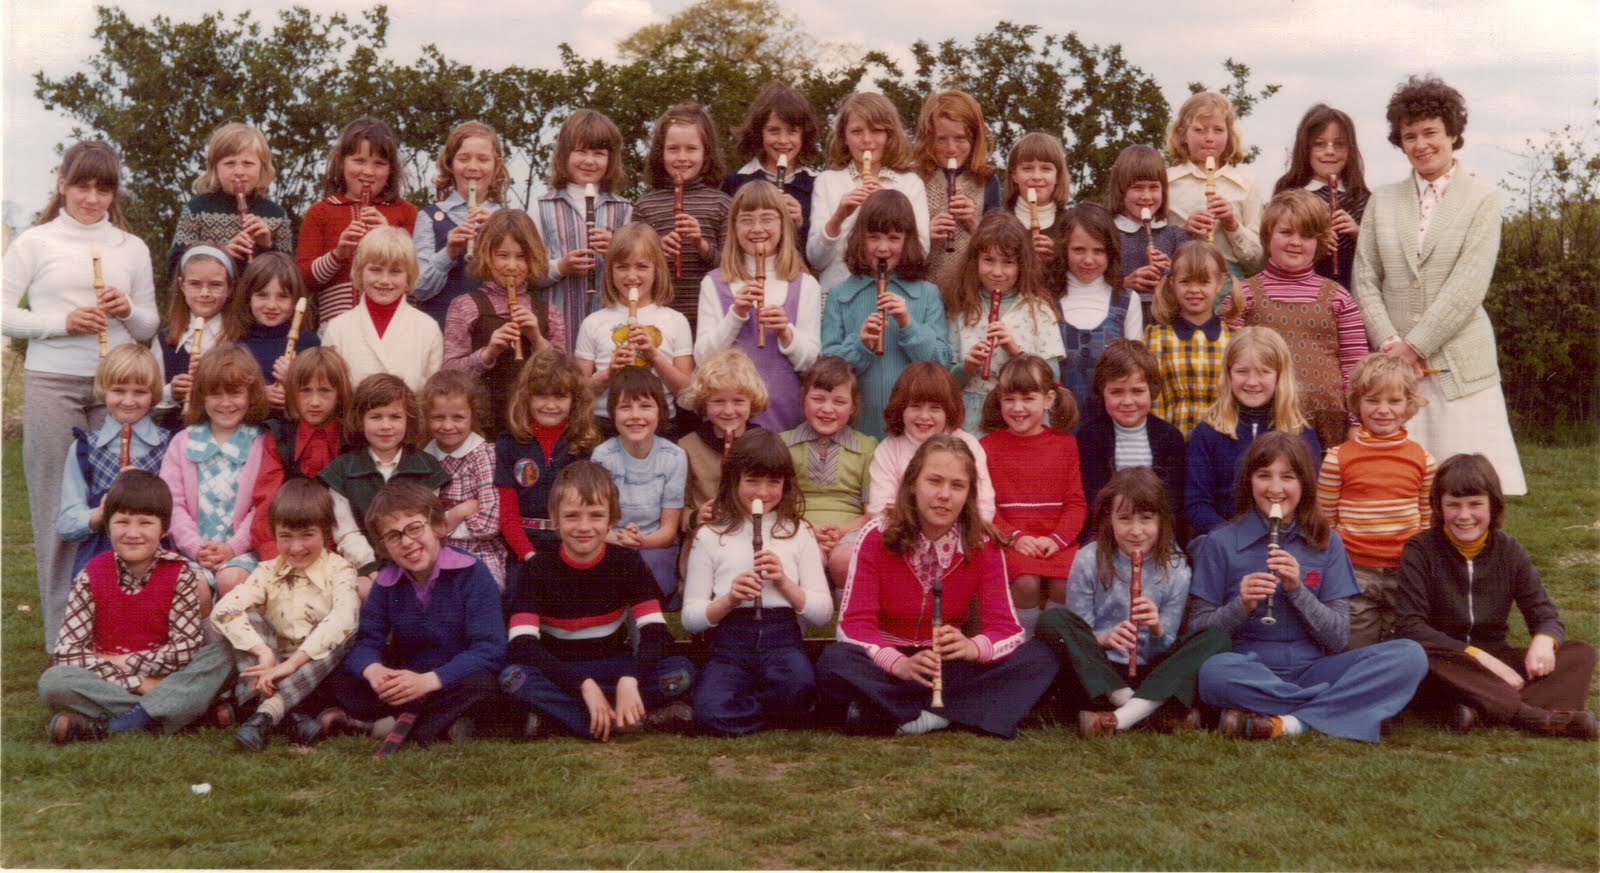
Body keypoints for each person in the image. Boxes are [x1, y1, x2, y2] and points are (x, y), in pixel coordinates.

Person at [5, 141, 160, 650]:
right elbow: (4, 311)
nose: (92, 198)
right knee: (58, 515)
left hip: (116, 390)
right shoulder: (36, 241)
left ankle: (122, 635)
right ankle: (61, 644)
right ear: (62, 184)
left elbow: (149, 323)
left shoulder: (129, 247)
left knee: (122, 513)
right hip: (54, 385)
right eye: (82, 186)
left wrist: (125, 312)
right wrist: (59, 323)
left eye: (103, 188)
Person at [1189, 432, 1427, 741]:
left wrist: (1298, 591)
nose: (1275, 489)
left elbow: (1339, 637)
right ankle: (1347, 709)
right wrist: (1241, 605)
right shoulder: (1219, 542)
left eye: (1287, 477)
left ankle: (1288, 722)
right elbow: (1197, 632)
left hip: (1314, 669)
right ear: (1250, 482)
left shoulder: (1327, 542)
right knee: (1213, 673)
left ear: (1303, 484)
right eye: (1264, 476)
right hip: (1250, 667)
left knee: (1410, 656)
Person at [817, 435, 1058, 738]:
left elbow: (1007, 630)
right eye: (934, 481)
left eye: (957, 486)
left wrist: (972, 647)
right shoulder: (876, 536)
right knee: (833, 662)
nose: (944, 495)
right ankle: (961, 712)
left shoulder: (983, 544)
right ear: (913, 484)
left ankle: (909, 716)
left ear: (969, 494)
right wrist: (899, 665)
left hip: (950, 663)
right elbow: (853, 626)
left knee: (1039, 658)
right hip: (889, 662)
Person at [1352, 75, 1525, 494]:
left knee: (1469, 488)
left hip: (1461, 367)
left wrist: (1415, 346)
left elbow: (1468, 285)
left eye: (1430, 132)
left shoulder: (1483, 198)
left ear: (1452, 133)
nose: (1420, 144)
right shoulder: (1384, 199)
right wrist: (1392, 345)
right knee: (1403, 488)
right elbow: (1365, 276)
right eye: (1409, 135)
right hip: (1395, 373)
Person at [1394, 454, 1597, 739]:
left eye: (1475, 504)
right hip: (1447, 661)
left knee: (1579, 654)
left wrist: (1544, 640)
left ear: (1493, 505)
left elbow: (1545, 615)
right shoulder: (1420, 549)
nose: (1464, 516)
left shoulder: (1509, 551)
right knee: (1415, 654)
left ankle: (1474, 712)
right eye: (1453, 505)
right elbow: (1410, 625)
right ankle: (1535, 717)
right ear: (1439, 507)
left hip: (1496, 659)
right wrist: (1477, 657)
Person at [499, 462, 695, 740]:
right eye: (572, 516)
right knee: (513, 679)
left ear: (612, 519)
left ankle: (562, 719)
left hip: (615, 669)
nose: (584, 527)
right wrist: (582, 685)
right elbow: (522, 645)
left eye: (595, 515)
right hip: (560, 674)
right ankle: (630, 719)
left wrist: (631, 678)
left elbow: (657, 635)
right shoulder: (537, 568)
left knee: (680, 672)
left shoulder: (627, 562)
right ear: (554, 518)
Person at [38, 470, 232, 743]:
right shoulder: (90, 575)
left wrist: (126, 662)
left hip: (167, 675)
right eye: (122, 522)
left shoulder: (181, 575)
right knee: (53, 682)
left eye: (145, 523)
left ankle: (115, 725)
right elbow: (67, 652)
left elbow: (184, 652)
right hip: (114, 681)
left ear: (163, 529)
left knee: (226, 653)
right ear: (108, 526)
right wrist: (141, 683)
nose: (133, 533)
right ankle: (189, 711)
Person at [1036, 468, 1231, 736]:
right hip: (1101, 670)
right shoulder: (1088, 559)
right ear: (1109, 519)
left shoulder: (1176, 568)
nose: (1136, 531)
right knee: (1053, 620)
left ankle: (1120, 718)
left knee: (1215, 636)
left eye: (1146, 519)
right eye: (1125, 519)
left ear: (1161, 520)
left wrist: (1156, 627)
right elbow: (1079, 633)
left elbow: (1167, 644)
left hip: (1153, 672)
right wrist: (1105, 639)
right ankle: (1145, 711)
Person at [317, 482, 506, 750]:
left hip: (452, 678)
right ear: (384, 547)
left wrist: (429, 681)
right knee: (339, 675)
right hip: (407, 680)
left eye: (415, 528)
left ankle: (387, 726)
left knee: (484, 684)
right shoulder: (385, 583)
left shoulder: (472, 573)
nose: (407, 542)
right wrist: (376, 672)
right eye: (393, 536)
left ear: (438, 526)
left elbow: (489, 649)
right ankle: (442, 726)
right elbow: (367, 642)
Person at [682, 431, 832, 734]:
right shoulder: (711, 535)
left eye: (773, 482)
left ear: (785, 484)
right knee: (710, 712)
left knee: (798, 688)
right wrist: (729, 599)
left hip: (783, 641)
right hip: (730, 646)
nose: (762, 492)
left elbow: (822, 613)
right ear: (733, 480)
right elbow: (690, 620)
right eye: (752, 481)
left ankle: (751, 707)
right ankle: (777, 714)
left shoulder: (798, 531)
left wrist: (785, 583)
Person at [211, 479, 360, 750]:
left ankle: (264, 714)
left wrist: (291, 665)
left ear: (327, 533)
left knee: (342, 629)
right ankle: (287, 716)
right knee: (248, 618)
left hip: (317, 675)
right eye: (286, 536)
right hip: (270, 670)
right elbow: (223, 609)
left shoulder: (341, 570)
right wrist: (263, 653)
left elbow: (344, 617)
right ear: (275, 534)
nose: (296, 547)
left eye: (307, 535)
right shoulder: (267, 570)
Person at [1315, 354, 1436, 648]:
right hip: (1355, 571)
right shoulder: (1336, 459)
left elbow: (1426, 519)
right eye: (1372, 400)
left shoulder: (1424, 459)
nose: (1383, 410)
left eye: (1394, 401)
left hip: (1405, 569)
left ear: (1408, 405)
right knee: (1356, 644)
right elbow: (1325, 520)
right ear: (1357, 403)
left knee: (1403, 642)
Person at [818, 189, 952, 438]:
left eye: (893, 238)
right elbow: (826, 369)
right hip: (856, 429)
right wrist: (861, 344)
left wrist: (908, 325)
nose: (882, 248)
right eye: (873, 237)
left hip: (913, 431)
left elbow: (942, 362)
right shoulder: (839, 294)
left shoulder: (927, 293)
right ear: (860, 239)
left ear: (908, 240)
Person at [1240, 189, 1367, 450]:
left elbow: (1355, 366)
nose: (1295, 242)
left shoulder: (1339, 297)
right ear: (1267, 236)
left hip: (1329, 426)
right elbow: (1228, 363)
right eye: (1286, 232)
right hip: (1262, 424)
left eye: (1306, 235)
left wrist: (1356, 422)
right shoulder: (1243, 295)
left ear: (1320, 241)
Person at [695, 180, 822, 433]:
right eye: (746, 220)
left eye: (767, 219)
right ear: (734, 227)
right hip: (729, 418)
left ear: (783, 225)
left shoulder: (805, 284)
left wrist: (786, 332)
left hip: (785, 414)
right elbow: (702, 358)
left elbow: (812, 365)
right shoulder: (714, 282)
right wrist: (736, 315)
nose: (757, 228)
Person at [158, 344, 283, 599]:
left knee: (231, 579)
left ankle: (238, 639)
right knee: (192, 586)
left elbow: (262, 507)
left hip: (243, 552)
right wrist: (195, 547)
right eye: (215, 394)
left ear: (250, 394)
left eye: (235, 393)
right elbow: (172, 504)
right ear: (201, 397)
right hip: (191, 552)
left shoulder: (262, 443)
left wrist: (232, 548)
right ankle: (202, 640)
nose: (225, 403)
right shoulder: (183, 442)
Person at [979, 355, 1085, 628]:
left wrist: (1057, 540)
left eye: (1028, 399)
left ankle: (1052, 639)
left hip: (1055, 541)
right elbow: (984, 507)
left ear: (1048, 400)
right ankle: (1022, 641)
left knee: (1064, 582)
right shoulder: (987, 447)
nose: (1017, 408)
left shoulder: (1065, 444)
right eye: (1009, 399)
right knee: (1027, 583)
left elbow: (1075, 503)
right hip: (1008, 541)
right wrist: (1014, 537)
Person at [1184, 326, 1320, 538]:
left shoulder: (1300, 433)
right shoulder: (1208, 432)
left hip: (1284, 538)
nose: (1252, 382)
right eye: (1241, 371)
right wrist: (1234, 540)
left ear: (1280, 376)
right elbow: (1197, 504)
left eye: (1264, 372)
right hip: (1221, 539)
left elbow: (1308, 501)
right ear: (1228, 375)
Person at [440, 208, 562, 439]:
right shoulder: (464, 305)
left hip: (534, 426)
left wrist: (536, 339)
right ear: (486, 255)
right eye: (502, 255)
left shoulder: (550, 312)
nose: (512, 266)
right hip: (481, 428)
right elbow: (449, 374)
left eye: (521, 257)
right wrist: (488, 353)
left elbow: (565, 378)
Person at [319, 374, 448, 586]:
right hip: (364, 568)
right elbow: (346, 531)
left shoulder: (427, 468)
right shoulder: (342, 471)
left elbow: (430, 527)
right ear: (360, 420)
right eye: (376, 417)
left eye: (395, 417)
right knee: (364, 591)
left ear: (409, 419)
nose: (386, 425)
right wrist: (370, 569)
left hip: (416, 562)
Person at [58, 344, 172, 580]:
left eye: (140, 392)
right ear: (104, 390)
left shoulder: (169, 445)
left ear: (154, 394)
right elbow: (67, 522)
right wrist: (100, 512)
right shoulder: (84, 448)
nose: (128, 401)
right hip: (99, 560)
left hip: (157, 560)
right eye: (119, 390)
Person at [944, 213, 1064, 434]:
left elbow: (1053, 378)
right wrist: (967, 367)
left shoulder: (1039, 310)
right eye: (988, 260)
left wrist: (1017, 353)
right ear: (975, 260)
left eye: (1008, 263)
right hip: (972, 414)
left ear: (1022, 265)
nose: (997, 272)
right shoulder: (961, 310)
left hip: (1026, 416)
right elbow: (947, 382)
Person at [575, 223, 695, 436]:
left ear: (657, 269)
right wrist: (608, 373)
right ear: (610, 270)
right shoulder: (593, 322)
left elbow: (687, 393)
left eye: (641, 267)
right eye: (622, 267)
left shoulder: (676, 321)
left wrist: (654, 357)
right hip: (605, 423)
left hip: (660, 423)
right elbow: (578, 391)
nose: (631, 276)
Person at [295, 117, 417, 322]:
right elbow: (302, 281)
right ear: (341, 162)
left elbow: (418, 278)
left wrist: (391, 237)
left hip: (395, 322)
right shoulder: (320, 212)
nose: (368, 172)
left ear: (390, 170)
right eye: (359, 161)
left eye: (379, 163)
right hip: (336, 323)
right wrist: (337, 254)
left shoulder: (406, 212)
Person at [808, 92, 931, 294]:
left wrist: (889, 209)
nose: (867, 140)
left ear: (889, 135)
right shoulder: (828, 181)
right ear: (844, 137)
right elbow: (816, 259)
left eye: (876, 131)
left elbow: (921, 253)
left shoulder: (910, 183)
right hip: (838, 298)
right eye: (856, 131)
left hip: (893, 295)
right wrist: (838, 218)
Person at [534, 109, 632, 351]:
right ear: (563, 155)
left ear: (611, 160)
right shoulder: (540, 207)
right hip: (556, 322)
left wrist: (615, 251)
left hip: (608, 324)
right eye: (580, 151)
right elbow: (528, 275)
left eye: (599, 154)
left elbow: (637, 269)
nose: (589, 161)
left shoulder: (624, 208)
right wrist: (560, 267)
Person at [630, 103, 732, 331]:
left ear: (706, 153)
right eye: (673, 149)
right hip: (658, 315)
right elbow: (633, 266)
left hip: (709, 316)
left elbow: (731, 268)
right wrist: (656, 250)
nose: (682, 157)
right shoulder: (645, 205)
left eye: (691, 149)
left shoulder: (722, 203)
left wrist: (701, 244)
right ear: (660, 153)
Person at [1074, 340, 1185, 543]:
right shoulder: (1089, 437)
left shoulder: (1169, 437)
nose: (1127, 401)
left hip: (1156, 537)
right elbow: (1091, 499)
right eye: (1116, 392)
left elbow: (1173, 502)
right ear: (1102, 392)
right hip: (1104, 536)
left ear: (1151, 390)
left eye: (1137, 391)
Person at [591, 367, 687, 601]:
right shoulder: (602, 456)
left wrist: (641, 541)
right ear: (613, 413)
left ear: (660, 411)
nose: (635, 415)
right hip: (612, 542)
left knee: (646, 575)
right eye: (625, 407)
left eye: (645, 406)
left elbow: (668, 530)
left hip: (655, 547)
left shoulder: (674, 456)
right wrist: (620, 540)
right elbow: (597, 522)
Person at [782, 357, 878, 583]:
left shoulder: (867, 447)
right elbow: (777, 504)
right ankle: (805, 615)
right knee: (807, 557)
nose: (827, 409)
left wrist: (842, 531)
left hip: (852, 531)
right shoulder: (783, 445)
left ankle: (844, 617)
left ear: (853, 406)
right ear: (803, 398)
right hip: (795, 527)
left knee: (845, 560)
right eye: (818, 399)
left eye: (839, 401)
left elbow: (872, 512)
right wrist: (808, 529)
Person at [319, 226, 442, 392]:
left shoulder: (428, 328)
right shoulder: (338, 328)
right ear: (360, 271)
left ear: (409, 276)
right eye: (375, 270)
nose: (384, 280)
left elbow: (431, 397)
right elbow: (330, 392)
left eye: (395, 272)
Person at [166, 122, 294, 279]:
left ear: (262, 168)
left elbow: (288, 274)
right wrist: (221, 256)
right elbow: (174, 266)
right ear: (215, 169)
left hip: (256, 301)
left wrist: (266, 246)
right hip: (211, 299)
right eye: (229, 163)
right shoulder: (196, 208)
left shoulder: (276, 214)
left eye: (248, 164)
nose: (239, 172)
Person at [411, 120, 507, 325]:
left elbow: (525, 281)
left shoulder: (510, 219)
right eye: (463, 159)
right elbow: (419, 289)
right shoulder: (429, 216)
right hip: (443, 328)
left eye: (483, 159)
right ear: (450, 163)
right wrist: (448, 252)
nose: (473, 167)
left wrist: (500, 233)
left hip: (495, 329)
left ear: (496, 165)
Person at [1143, 241, 1240, 438]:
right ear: (1172, 282)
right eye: (1185, 281)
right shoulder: (1157, 338)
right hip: (1172, 448)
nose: (1194, 290)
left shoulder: (1235, 339)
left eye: (1204, 282)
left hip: (1221, 446)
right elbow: (1154, 401)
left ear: (1220, 283)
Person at [420, 370, 507, 590]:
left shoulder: (483, 455)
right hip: (433, 549)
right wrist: (459, 513)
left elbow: (489, 523)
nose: (448, 426)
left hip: (478, 549)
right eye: (438, 417)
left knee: (481, 588)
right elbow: (421, 522)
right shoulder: (424, 457)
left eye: (458, 417)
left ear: (472, 416)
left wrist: (441, 526)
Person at [1165, 91, 1264, 277]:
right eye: (1199, 129)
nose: (1209, 137)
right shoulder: (1166, 181)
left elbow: (1258, 261)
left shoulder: (1246, 183)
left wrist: (1232, 224)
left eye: (1218, 130)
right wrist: (1184, 233)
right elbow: (1154, 246)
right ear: (1182, 134)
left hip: (1229, 279)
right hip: (1181, 277)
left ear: (1229, 134)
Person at [1056, 205, 1143, 418]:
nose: (1088, 260)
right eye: (1078, 250)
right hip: (1058, 421)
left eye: (1098, 251)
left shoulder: (1126, 300)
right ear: (1064, 249)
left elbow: (1136, 370)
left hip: (1110, 423)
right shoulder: (1046, 300)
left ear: (1110, 252)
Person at [914, 90, 1003, 288]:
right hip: (921, 288)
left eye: (960, 139)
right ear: (929, 138)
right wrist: (924, 235)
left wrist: (973, 223)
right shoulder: (916, 178)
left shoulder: (987, 181)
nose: (951, 148)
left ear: (974, 140)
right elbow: (899, 241)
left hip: (970, 291)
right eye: (941, 139)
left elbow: (999, 246)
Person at [1273, 104, 1370, 283]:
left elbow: (1376, 255)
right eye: (1319, 144)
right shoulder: (1288, 191)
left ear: (1350, 150)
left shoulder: (1362, 197)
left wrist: (1357, 233)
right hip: (1299, 287)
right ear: (1306, 148)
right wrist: (1314, 241)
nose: (1330, 151)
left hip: (1350, 288)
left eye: (1339, 144)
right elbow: (1272, 243)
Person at [722, 82, 821, 251]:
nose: (783, 140)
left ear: (804, 135)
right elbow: (727, 243)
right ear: (759, 133)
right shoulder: (735, 182)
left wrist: (799, 224)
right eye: (773, 131)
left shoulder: (817, 184)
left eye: (792, 131)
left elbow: (817, 255)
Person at [223, 252, 320, 413]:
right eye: (262, 295)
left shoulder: (309, 343)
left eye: (282, 296)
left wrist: (294, 383)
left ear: (296, 301)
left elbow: (320, 398)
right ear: (248, 297)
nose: (271, 305)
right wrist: (258, 396)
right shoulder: (235, 345)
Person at [152, 245, 233, 431]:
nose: (205, 293)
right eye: (195, 284)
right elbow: (147, 397)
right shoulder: (165, 340)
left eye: (215, 284)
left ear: (229, 287)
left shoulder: (240, 338)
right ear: (182, 285)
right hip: (176, 438)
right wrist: (170, 392)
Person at [1106, 144, 1189, 318]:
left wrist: (1172, 269)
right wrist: (1125, 282)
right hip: (1119, 315)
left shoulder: (1175, 235)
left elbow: (1190, 282)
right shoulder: (1107, 233)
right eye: (1137, 188)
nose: (1146, 196)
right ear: (1120, 191)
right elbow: (1092, 279)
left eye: (1154, 187)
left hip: (1165, 318)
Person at [1005, 132, 1073, 294]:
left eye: (1046, 169)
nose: (1036, 177)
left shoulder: (1071, 223)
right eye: (1027, 168)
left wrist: (1057, 258)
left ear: (1058, 176)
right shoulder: (999, 220)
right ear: (1014, 175)